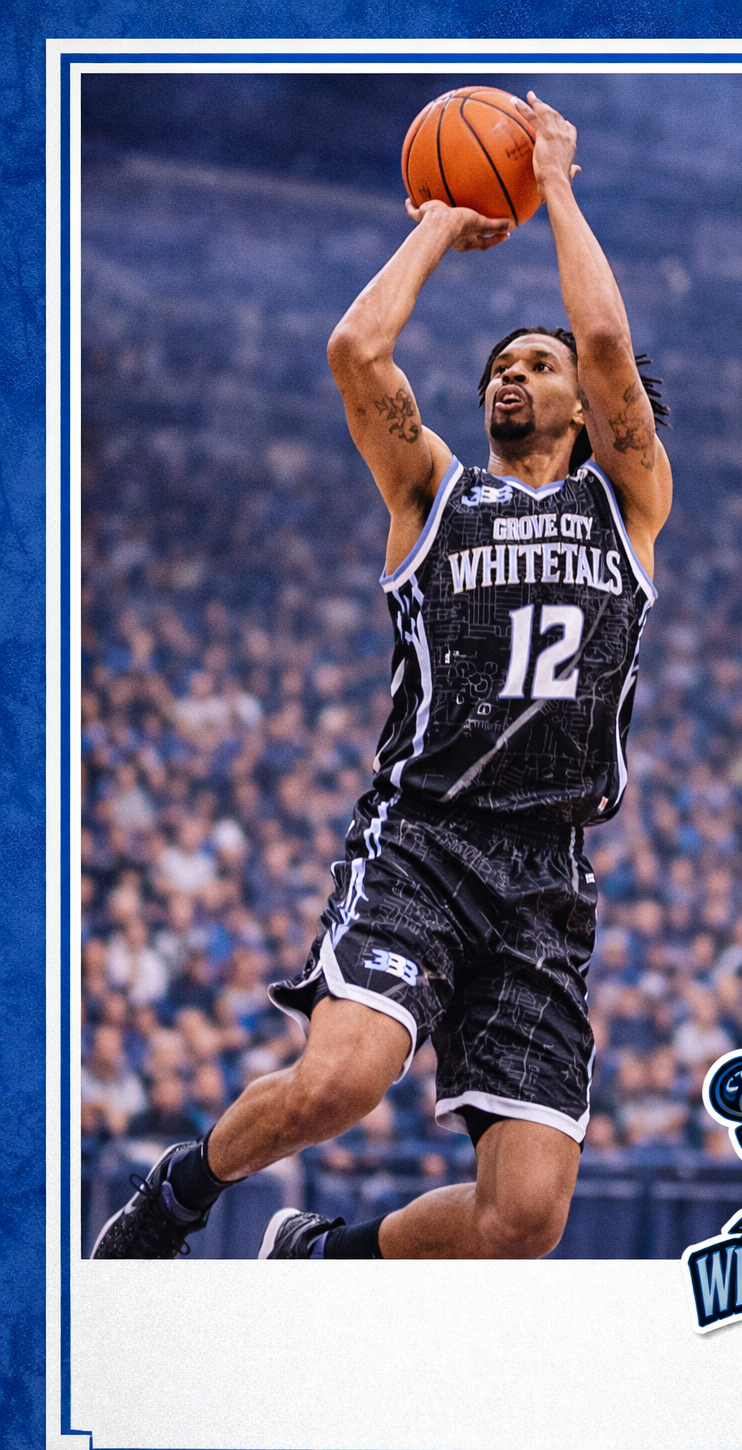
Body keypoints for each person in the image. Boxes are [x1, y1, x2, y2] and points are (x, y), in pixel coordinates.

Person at [91, 91, 672, 1261]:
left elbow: (609, 345)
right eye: (498, 365)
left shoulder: (626, 501)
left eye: (537, 363)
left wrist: (553, 186)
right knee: (337, 1085)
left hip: (545, 871)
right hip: (425, 839)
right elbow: (356, 352)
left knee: (523, 1221)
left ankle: (321, 1255)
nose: (511, 374)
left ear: (585, 406)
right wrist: (442, 222)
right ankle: (175, 1196)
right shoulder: (432, 493)